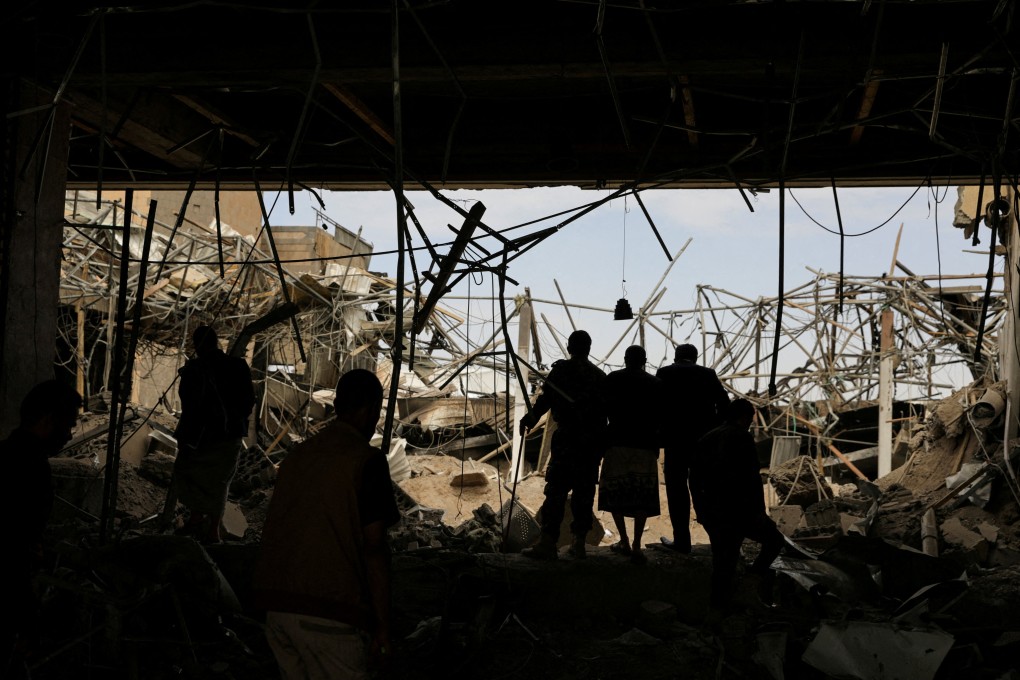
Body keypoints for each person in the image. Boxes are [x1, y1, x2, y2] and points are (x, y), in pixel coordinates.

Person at [252, 368, 400, 680]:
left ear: (337, 405)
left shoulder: (297, 456)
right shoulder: (366, 461)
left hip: (276, 609)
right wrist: (383, 628)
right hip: (327, 613)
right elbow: (374, 548)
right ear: (373, 409)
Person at [1, 380, 82, 678]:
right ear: (49, 420)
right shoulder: (30, 467)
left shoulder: (7, 451)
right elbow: (12, 550)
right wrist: (26, 621)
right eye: (69, 424)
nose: (69, 434)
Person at [689, 398, 784, 624]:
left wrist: (700, 509)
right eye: (751, 418)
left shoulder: (706, 438)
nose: (752, 422)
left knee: (723, 562)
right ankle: (749, 584)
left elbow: (694, 479)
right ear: (744, 417)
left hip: (714, 512)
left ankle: (717, 611)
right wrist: (759, 512)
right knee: (774, 541)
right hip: (740, 511)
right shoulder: (742, 437)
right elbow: (751, 478)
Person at [519, 329, 608, 560]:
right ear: (588, 349)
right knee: (584, 493)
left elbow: (543, 402)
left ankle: (548, 543)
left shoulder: (561, 372)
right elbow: (605, 414)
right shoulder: (599, 377)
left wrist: (528, 420)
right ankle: (578, 544)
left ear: (570, 348)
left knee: (556, 492)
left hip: (567, 441)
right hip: (589, 445)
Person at [172, 325, 255, 543]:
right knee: (219, 483)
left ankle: (197, 519)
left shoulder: (194, 370)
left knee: (190, 476)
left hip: (201, 437)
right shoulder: (237, 366)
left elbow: (189, 406)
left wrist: (186, 436)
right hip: (230, 436)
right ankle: (211, 530)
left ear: (197, 346)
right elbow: (248, 401)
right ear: (217, 342)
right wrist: (234, 421)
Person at [655, 343, 730, 553]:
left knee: (676, 489)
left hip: (675, 440)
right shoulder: (708, 374)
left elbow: (656, 404)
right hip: (702, 443)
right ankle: (717, 539)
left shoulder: (665, 373)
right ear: (695, 357)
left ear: (675, 357)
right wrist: (713, 428)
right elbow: (725, 405)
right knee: (703, 489)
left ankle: (682, 540)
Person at [598, 345, 664, 565]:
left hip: (617, 443)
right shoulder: (655, 384)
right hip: (644, 446)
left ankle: (624, 540)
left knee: (616, 492)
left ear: (625, 359)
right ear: (644, 361)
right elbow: (659, 418)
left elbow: (602, 409)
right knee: (641, 495)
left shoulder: (612, 379)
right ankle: (636, 544)